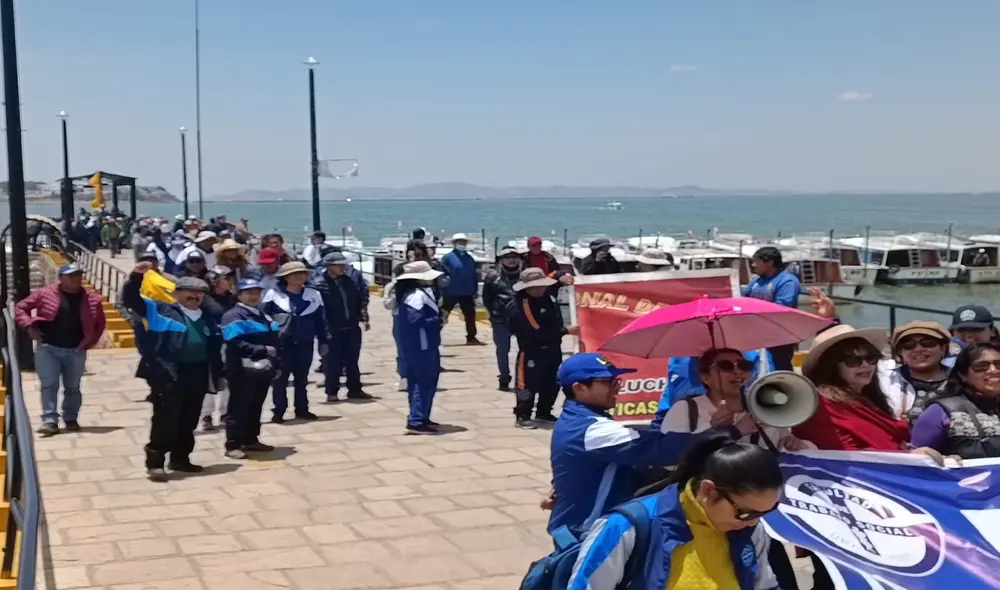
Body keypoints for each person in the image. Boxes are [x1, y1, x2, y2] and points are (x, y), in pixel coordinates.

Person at [548, 353, 749, 534]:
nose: (617, 387)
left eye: (616, 381)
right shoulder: (593, 429)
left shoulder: (578, 420)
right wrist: (732, 430)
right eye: (608, 382)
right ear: (580, 388)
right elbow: (662, 449)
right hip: (586, 529)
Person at [567, 433, 782, 590]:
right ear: (707, 490)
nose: (752, 523)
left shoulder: (750, 530)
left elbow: (764, 585)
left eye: (766, 512)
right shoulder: (628, 527)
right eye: (746, 513)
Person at [122, 265, 225, 481]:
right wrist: (135, 277)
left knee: (189, 419)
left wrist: (219, 375)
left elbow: (214, 350)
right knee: (165, 418)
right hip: (168, 374)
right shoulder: (160, 311)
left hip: (197, 373)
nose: (194, 296)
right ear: (176, 293)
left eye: (199, 293)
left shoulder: (208, 317)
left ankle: (180, 459)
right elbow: (132, 299)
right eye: (189, 291)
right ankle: (155, 462)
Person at [14, 263, 106, 436]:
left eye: (78, 275)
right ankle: (50, 421)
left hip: (76, 349)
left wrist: (89, 342)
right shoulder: (45, 293)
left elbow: (100, 323)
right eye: (71, 276)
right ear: (61, 278)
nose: (76, 279)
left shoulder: (92, 299)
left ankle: (71, 418)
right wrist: (29, 326)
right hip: (48, 347)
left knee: (72, 386)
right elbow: (20, 308)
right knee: (49, 385)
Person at [220, 279, 282, 459]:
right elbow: (234, 342)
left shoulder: (262, 314)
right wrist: (261, 350)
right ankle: (233, 444)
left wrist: (277, 363)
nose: (253, 296)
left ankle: (251, 440)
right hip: (241, 370)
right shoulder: (233, 315)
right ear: (239, 295)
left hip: (263, 369)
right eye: (249, 292)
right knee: (239, 407)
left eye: (256, 292)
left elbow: (274, 340)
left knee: (255, 405)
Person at [511, 268, 578, 428]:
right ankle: (522, 415)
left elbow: (556, 273)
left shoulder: (548, 294)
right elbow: (535, 329)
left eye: (541, 285)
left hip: (553, 348)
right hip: (532, 350)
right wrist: (565, 331)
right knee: (527, 383)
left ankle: (544, 412)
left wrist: (563, 276)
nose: (539, 288)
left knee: (552, 381)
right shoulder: (522, 304)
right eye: (535, 286)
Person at [261, 261, 328, 423]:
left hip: (305, 342)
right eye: (294, 274)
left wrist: (323, 341)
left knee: (302, 378)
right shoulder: (273, 295)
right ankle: (279, 411)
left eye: (302, 273)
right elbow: (264, 319)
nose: (299, 276)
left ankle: (302, 409)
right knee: (279, 379)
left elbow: (321, 321)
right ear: (285, 277)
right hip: (282, 345)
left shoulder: (314, 295)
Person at [911, 342, 1000, 459]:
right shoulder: (941, 411)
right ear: (963, 375)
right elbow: (914, 457)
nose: (993, 370)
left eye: (999, 364)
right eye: (981, 366)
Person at [310, 252, 372, 402]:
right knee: (332, 363)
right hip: (331, 329)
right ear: (329, 266)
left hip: (351, 326)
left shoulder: (349, 281)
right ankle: (332, 391)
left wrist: (363, 317)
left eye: (343, 264)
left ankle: (355, 389)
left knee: (352, 360)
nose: (342, 268)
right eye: (338, 265)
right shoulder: (318, 284)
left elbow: (359, 299)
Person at [394, 261, 445, 434]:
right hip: (422, 345)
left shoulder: (414, 293)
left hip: (419, 344)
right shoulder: (416, 295)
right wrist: (437, 321)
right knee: (424, 381)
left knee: (419, 382)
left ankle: (420, 415)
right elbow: (415, 320)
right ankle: (416, 420)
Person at [878, 320, 952, 423]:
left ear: (943, 348)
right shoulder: (885, 380)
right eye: (909, 345)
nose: (918, 349)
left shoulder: (959, 379)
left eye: (928, 343)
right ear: (900, 352)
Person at [742, 246, 801, 370]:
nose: (753, 265)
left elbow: (782, 306)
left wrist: (754, 309)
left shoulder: (787, 281)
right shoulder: (756, 281)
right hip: (756, 334)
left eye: (756, 261)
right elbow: (743, 298)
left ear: (769, 263)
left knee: (780, 367)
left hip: (780, 336)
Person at [199, 265, 236, 431]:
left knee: (228, 378)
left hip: (229, 342)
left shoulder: (233, 298)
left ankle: (225, 413)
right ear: (215, 282)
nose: (230, 282)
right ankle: (205, 415)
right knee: (209, 379)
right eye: (226, 279)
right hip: (210, 343)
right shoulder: (204, 299)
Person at [482, 246, 522, 391]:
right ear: (501, 260)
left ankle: (521, 378)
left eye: (514, 256)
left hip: (521, 318)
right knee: (502, 350)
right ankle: (504, 378)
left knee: (525, 349)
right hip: (500, 319)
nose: (511, 260)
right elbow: (487, 298)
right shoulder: (492, 276)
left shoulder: (524, 274)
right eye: (507, 257)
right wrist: (493, 313)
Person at [439, 233, 482, 345]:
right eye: (459, 242)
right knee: (442, 315)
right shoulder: (447, 258)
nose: (461, 244)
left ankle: (471, 337)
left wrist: (475, 290)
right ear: (454, 244)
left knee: (470, 316)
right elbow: (441, 274)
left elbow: (474, 275)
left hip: (467, 292)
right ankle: (433, 335)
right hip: (450, 292)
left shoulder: (470, 258)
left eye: (463, 242)